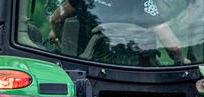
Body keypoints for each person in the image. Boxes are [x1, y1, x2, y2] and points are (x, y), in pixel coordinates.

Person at [49, 0, 190, 64]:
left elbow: (55, 19)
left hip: (88, 65)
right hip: (136, 68)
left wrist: (56, 34)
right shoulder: (141, 2)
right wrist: (182, 60)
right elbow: (172, 45)